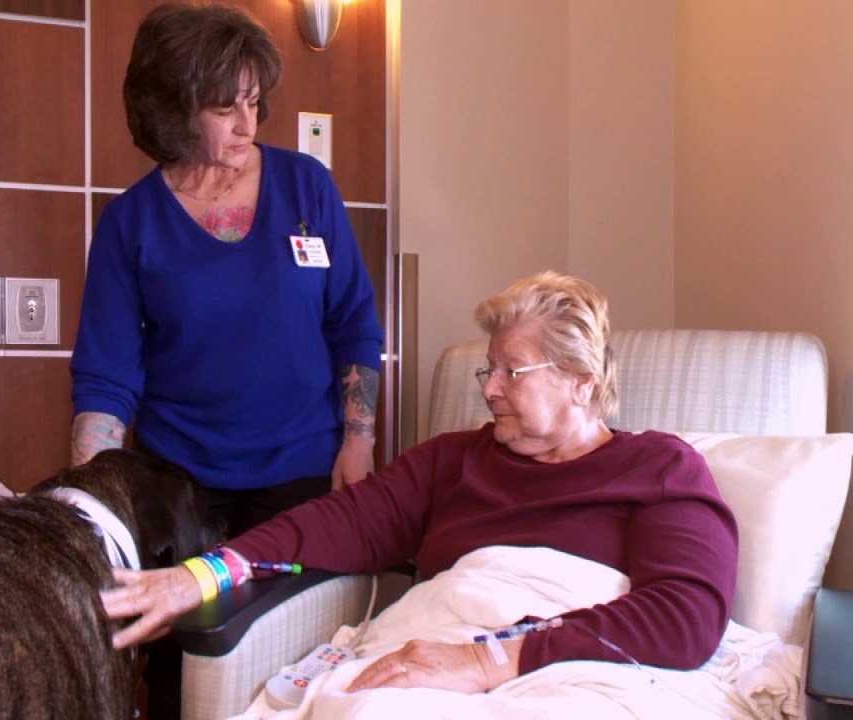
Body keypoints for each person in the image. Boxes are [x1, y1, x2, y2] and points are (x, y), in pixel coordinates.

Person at [101, 270, 740, 699]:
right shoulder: (453, 461)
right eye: (488, 370)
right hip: (431, 664)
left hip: (567, 680)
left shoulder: (659, 468)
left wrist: (490, 659)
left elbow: (684, 615)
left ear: (581, 381)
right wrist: (206, 572)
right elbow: (339, 523)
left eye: (512, 371)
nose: (489, 389)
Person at [70, 5, 383, 717]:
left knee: (296, 666)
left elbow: (354, 324)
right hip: (181, 490)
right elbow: (106, 381)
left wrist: (358, 441)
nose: (248, 124)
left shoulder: (307, 188)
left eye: (254, 101)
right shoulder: (129, 224)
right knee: (185, 676)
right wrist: (95, 509)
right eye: (224, 108)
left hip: (303, 473)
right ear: (174, 112)